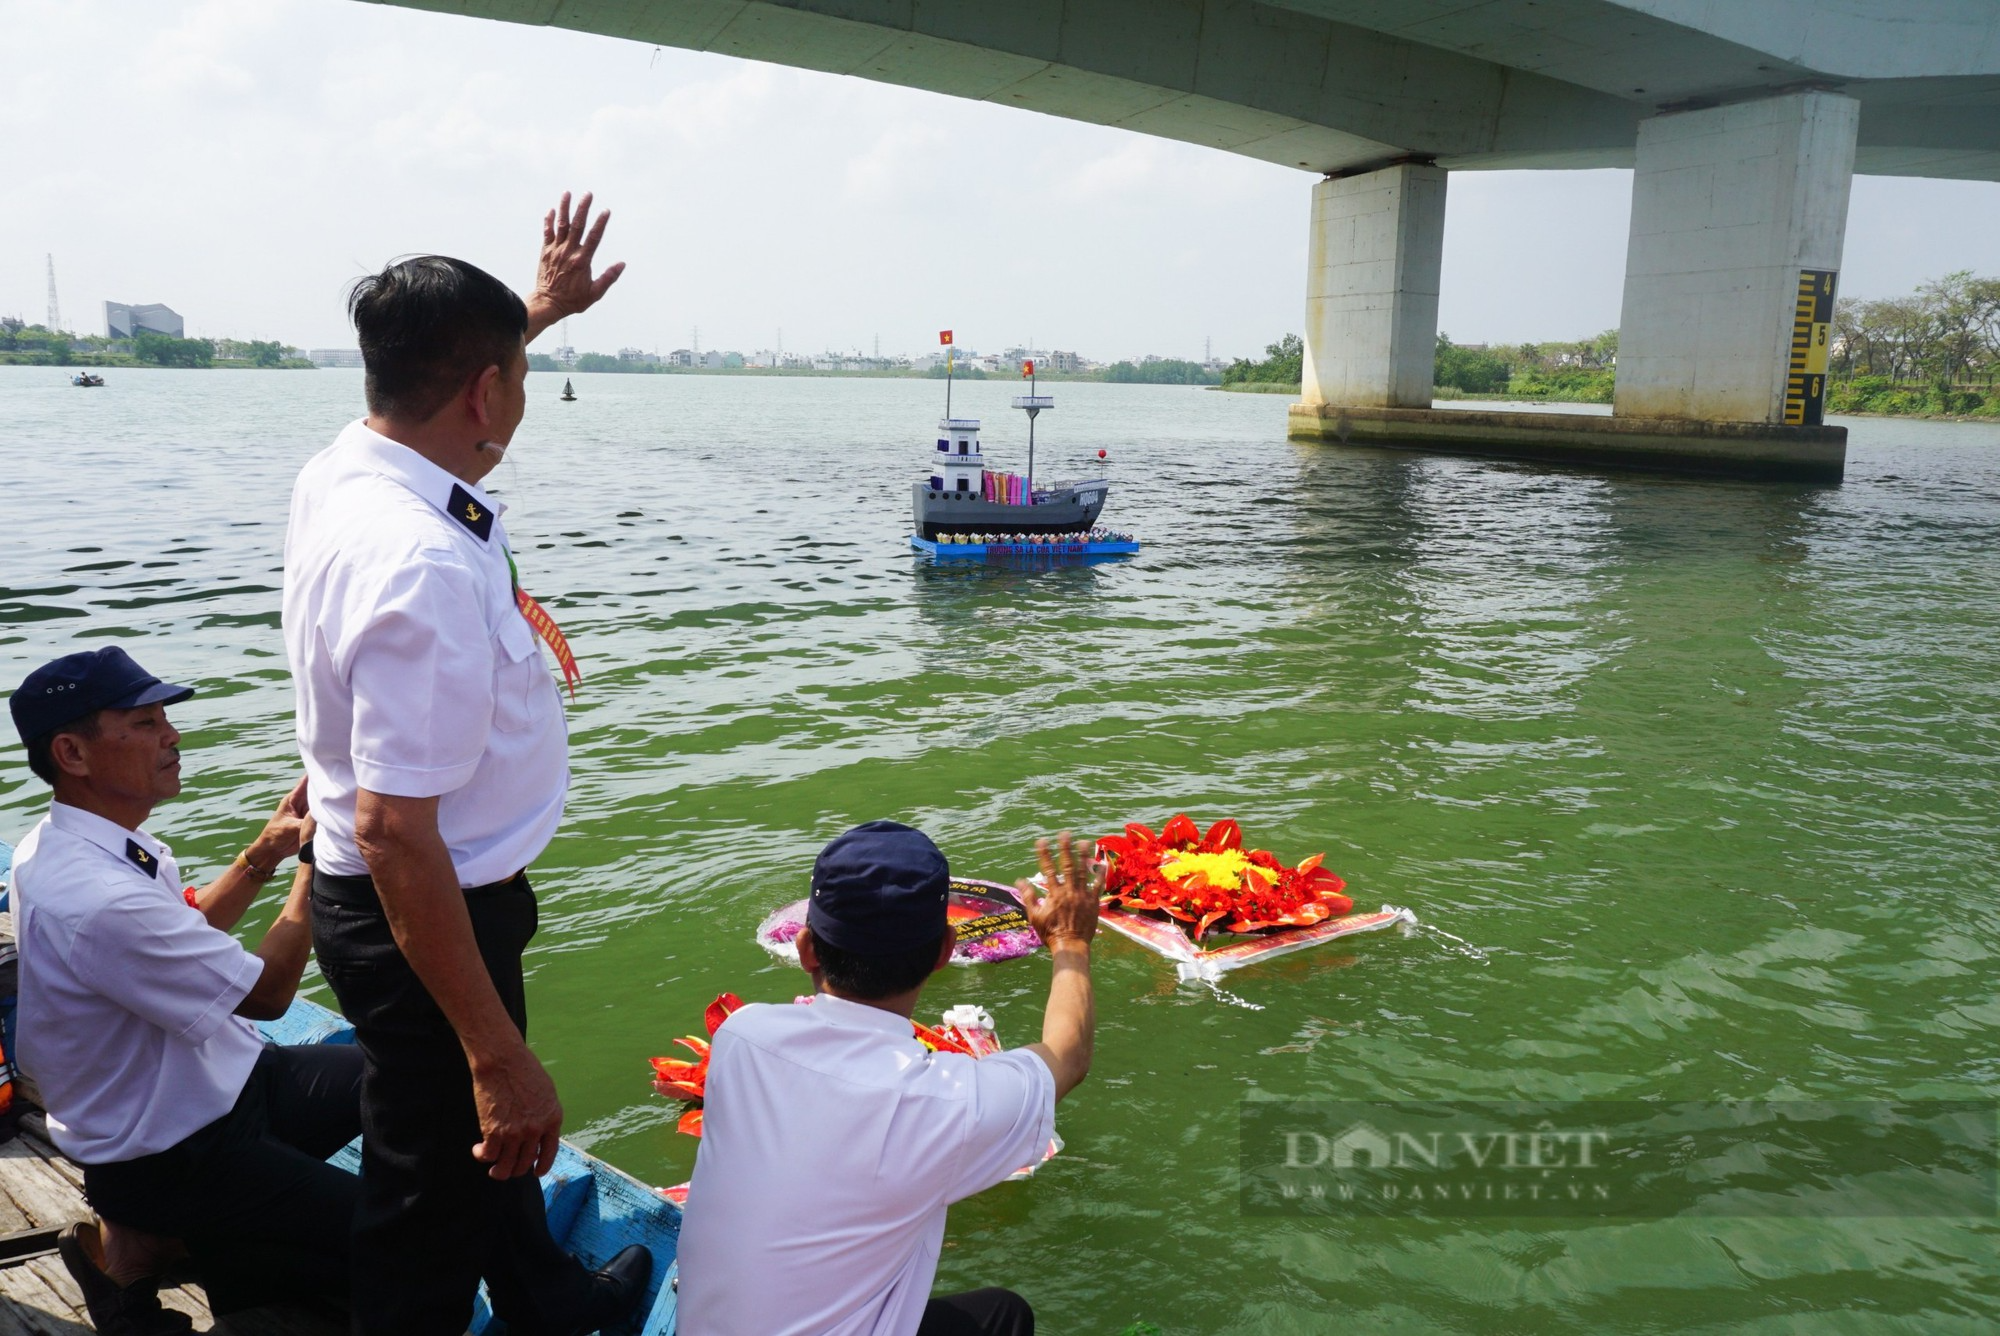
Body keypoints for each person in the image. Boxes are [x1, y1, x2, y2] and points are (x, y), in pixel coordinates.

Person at [282, 193, 646, 1336]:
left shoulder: (353, 464)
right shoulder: (421, 563)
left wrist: (531, 313)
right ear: (486, 391)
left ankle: (546, 1301)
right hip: (423, 909)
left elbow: (455, 383)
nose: (519, 398)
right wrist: (494, 1049)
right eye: (515, 375)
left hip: (413, 898)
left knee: (480, 1155)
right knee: (424, 1201)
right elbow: (397, 830)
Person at [6, 646, 359, 1335]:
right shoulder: (99, 896)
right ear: (72, 754)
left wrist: (264, 853)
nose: (171, 735)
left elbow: (180, 931)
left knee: (409, 1076)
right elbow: (267, 994)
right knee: (392, 1250)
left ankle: (149, 1257)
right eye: (142, 722)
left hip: (210, 1096)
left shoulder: (64, 846)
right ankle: (171, 1263)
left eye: (165, 716)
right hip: (177, 1153)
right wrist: (323, 859)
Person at [676, 821, 1102, 1336]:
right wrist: (1070, 940)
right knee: (1006, 1317)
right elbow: (1068, 1054)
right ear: (946, 952)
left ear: (807, 948)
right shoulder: (947, 1102)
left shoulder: (742, 1036)